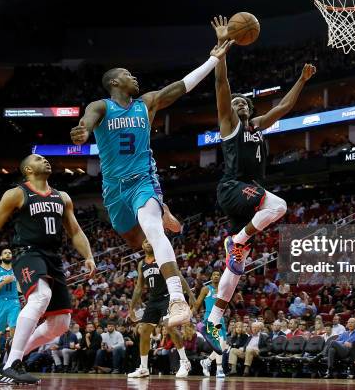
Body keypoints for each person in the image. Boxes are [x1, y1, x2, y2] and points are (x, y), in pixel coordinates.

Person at [70, 37, 233, 330]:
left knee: (155, 232)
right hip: (114, 189)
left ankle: (177, 300)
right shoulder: (102, 106)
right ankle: (163, 209)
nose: (134, 77)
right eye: (128, 75)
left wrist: (213, 59)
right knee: (136, 242)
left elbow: (182, 86)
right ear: (115, 82)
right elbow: (88, 119)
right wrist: (83, 131)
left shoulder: (146, 103)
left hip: (143, 180)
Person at [202, 16, 316, 353]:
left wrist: (301, 79)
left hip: (247, 198)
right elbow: (222, 87)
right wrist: (221, 52)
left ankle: (214, 320)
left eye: (242, 103)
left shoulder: (258, 126)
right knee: (279, 206)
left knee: (236, 271)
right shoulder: (230, 125)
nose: (236, 104)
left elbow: (284, 106)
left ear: (250, 109)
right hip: (233, 187)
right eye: (233, 103)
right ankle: (236, 241)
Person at [0, 154, 96, 385]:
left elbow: (75, 231)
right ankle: (14, 363)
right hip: (27, 253)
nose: (45, 160)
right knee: (41, 296)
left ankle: (11, 361)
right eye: (38, 159)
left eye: (46, 158)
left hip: (53, 257)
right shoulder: (16, 194)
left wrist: (88, 255)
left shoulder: (62, 196)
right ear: (28, 169)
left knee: (60, 324)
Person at [128, 239, 196, 378]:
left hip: (167, 297)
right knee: (144, 331)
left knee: (169, 326)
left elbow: (179, 276)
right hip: (153, 300)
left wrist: (190, 294)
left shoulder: (162, 258)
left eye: (150, 241)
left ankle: (184, 362)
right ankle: (144, 368)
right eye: (145, 241)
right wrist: (131, 307)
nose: (147, 243)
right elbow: (139, 287)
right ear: (142, 245)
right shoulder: (141, 264)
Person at [193, 270, 227, 378]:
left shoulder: (223, 290)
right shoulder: (206, 289)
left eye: (218, 275)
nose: (216, 276)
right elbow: (198, 303)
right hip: (210, 318)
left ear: (221, 277)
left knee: (223, 346)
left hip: (220, 318)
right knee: (219, 341)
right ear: (211, 277)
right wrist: (190, 313)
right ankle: (219, 369)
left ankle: (207, 361)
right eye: (214, 275)